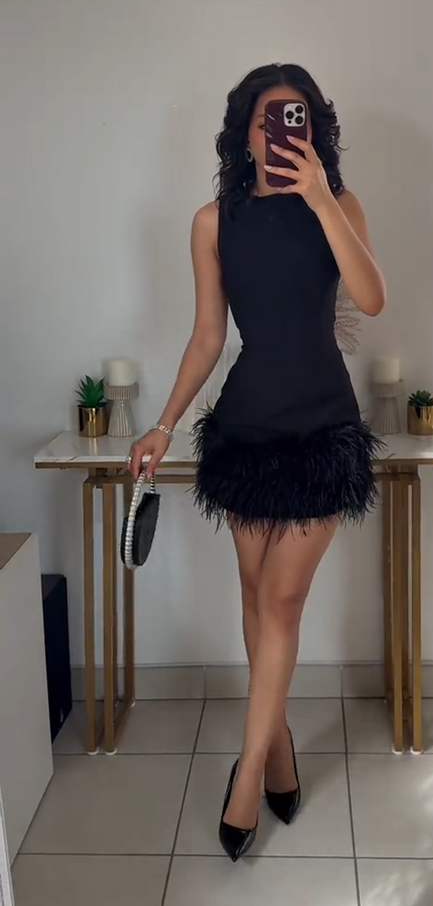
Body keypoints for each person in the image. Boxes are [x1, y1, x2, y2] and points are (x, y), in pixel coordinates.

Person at [128, 63, 386, 862]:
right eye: (267, 117)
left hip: (323, 431)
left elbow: (371, 299)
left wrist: (319, 198)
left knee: (280, 599)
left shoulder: (339, 204)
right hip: (244, 430)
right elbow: (209, 336)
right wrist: (162, 424)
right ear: (244, 133)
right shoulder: (213, 222)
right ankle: (276, 751)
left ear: (313, 130)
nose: (280, 130)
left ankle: (245, 776)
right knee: (255, 596)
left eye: (294, 116)